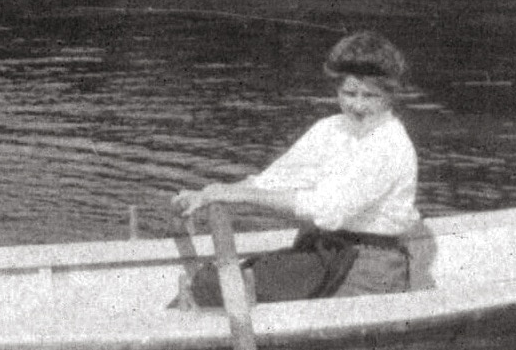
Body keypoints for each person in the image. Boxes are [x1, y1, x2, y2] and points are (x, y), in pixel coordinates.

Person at [171, 30, 420, 303]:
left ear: (390, 95)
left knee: (223, 292)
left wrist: (237, 196)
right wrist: (210, 194)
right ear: (337, 89)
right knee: (213, 287)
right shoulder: (330, 128)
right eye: (349, 93)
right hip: (325, 253)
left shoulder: (389, 145)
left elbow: (328, 210)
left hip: (369, 267)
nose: (357, 105)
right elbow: (275, 180)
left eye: (370, 96)